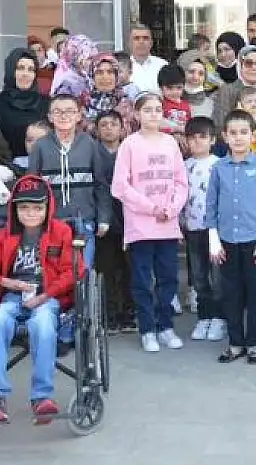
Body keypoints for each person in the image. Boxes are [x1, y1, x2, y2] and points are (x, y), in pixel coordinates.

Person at [0, 174, 77, 424]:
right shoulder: (5, 236)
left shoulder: (61, 232)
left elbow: (74, 271)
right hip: (12, 296)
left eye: (37, 208)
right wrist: (6, 282)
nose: (30, 213)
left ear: (47, 208)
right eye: (24, 207)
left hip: (46, 297)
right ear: (14, 209)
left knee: (43, 324)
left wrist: (45, 295)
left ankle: (42, 396)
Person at [111, 93, 189, 353]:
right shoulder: (129, 145)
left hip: (167, 223)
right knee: (143, 281)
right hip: (141, 226)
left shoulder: (170, 143)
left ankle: (165, 326)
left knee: (168, 278)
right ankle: (147, 329)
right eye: (148, 110)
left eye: (157, 109)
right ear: (137, 114)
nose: (153, 114)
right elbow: (120, 186)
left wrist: (172, 208)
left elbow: (181, 182)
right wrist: (150, 208)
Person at [206, 109, 256, 365]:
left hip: (254, 242)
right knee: (231, 293)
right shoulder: (218, 169)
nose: (238, 138)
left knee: (255, 294)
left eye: (244, 132)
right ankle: (235, 344)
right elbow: (211, 204)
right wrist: (213, 236)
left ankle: (254, 343)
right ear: (225, 136)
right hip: (226, 242)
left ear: (252, 136)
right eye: (233, 133)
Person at [28, 93, 112, 271]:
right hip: (52, 221)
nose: (63, 116)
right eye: (57, 112)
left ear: (78, 115)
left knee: (83, 268)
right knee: (54, 269)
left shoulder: (89, 144)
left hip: (84, 218)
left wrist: (104, 218)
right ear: (50, 117)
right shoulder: (40, 146)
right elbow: (32, 186)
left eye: (69, 111)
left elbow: (101, 184)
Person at [181, 117, 224, 342]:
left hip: (216, 230)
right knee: (199, 276)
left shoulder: (220, 165)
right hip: (192, 228)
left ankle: (219, 317)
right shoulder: (183, 166)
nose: (197, 141)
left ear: (213, 140)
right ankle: (204, 316)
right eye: (192, 137)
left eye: (203, 137)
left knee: (218, 276)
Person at [92, 110, 135, 334]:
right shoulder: (92, 152)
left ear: (122, 128)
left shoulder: (130, 150)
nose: (109, 128)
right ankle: (109, 315)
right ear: (97, 130)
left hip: (129, 217)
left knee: (130, 269)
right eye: (104, 124)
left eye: (113, 124)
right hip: (103, 219)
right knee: (106, 269)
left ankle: (128, 313)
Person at [0, 48, 50, 159]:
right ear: (11, 71)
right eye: (20, 68)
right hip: (5, 165)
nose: (25, 74)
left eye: (31, 70)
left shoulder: (47, 104)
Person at [210, 45, 256, 132]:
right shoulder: (227, 91)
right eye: (249, 63)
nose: (254, 67)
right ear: (240, 65)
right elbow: (219, 124)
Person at [83, 53, 136, 136]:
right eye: (99, 72)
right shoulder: (84, 102)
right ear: (92, 76)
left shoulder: (125, 103)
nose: (105, 77)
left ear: (116, 76)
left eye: (110, 72)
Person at [50, 34, 99, 98]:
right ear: (75, 59)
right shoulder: (66, 86)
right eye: (89, 58)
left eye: (95, 57)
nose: (94, 61)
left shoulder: (86, 77)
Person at [127, 24, 169, 94]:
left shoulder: (163, 65)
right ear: (129, 43)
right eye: (136, 38)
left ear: (151, 43)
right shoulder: (122, 67)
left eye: (145, 38)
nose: (141, 42)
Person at [158, 64, 190, 138]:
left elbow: (189, 126)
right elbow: (156, 125)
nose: (174, 92)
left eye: (179, 88)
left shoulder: (186, 105)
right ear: (161, 87)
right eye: (169, 88)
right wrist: (175, 129)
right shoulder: (159, 104)